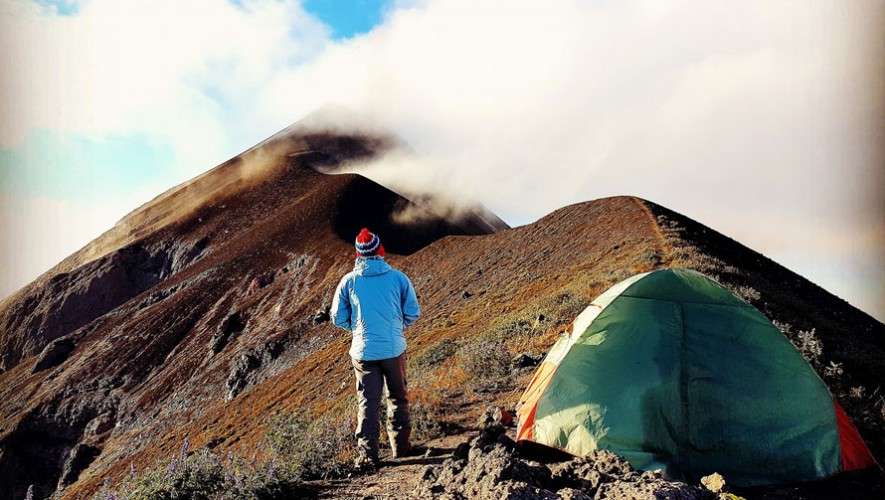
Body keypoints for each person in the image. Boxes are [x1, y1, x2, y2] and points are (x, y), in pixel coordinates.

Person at [331, 227, 421, 468]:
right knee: (397, 397)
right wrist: (396, 326)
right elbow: (413, 312)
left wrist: (357, 328)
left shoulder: (349, 281)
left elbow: (337, 317)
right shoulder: (398, 278)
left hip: (363, 352)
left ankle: (368, 455)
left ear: (358, 254)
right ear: (380, 250)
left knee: (368, 402)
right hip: (394, 349)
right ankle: (401, 447)